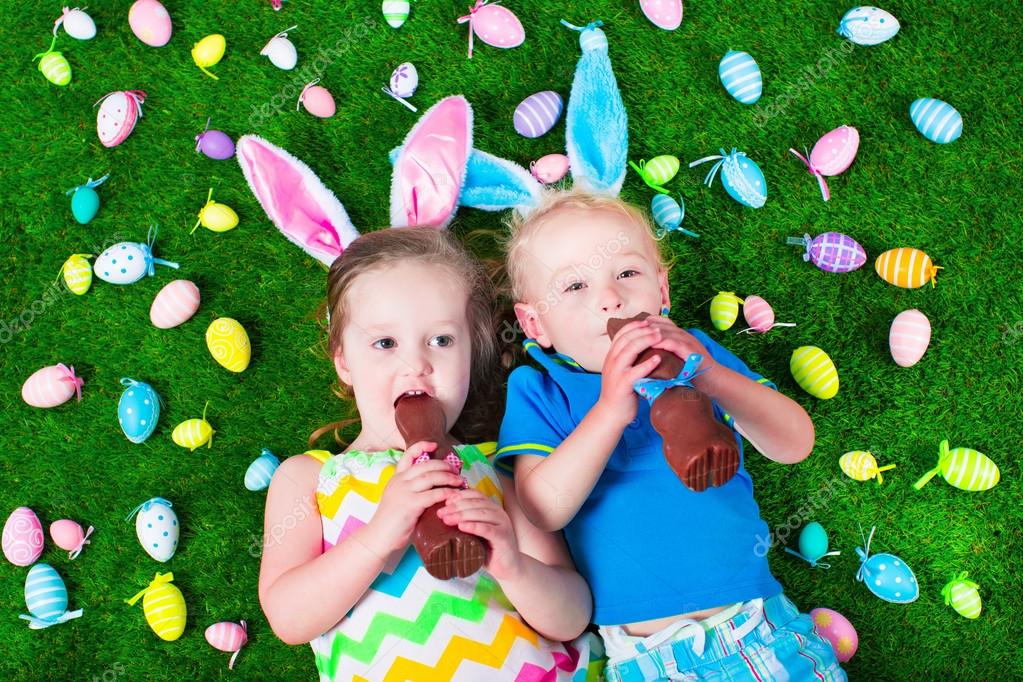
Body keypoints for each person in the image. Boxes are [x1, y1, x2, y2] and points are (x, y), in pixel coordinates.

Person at [496, 191, 847, 681]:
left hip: (760, 629)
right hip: (648, 659)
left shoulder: (697, 353)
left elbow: (794, 444)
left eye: (627, 273)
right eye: (574, 286)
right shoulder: (541, 388)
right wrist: (610, 411)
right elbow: (543, 507)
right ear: (536, 324)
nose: (609, 298)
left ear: (661, 290)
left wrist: (710, 378)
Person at [258, 227, 603, 681]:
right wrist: (380, 534)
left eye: (441, 340)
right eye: (385, 344)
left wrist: (513, 567)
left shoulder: (495, 473)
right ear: (344, 361)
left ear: (472, 353)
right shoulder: (308, 478)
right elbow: (289, 618)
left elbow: (574, 614)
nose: (415, 365)